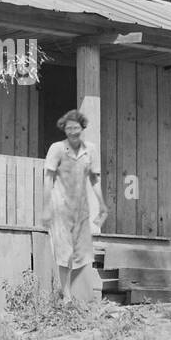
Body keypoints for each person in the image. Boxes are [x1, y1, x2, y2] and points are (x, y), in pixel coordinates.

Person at [42, 109, 109, 304]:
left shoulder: (91, 150)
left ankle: (73, 293)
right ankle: (67, 296)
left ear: (82, 128)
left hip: (80, 207)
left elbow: (95, 179)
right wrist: (46, 207)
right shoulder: (57, 148)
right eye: (69, 128)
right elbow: (48, 179)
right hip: (59, 205)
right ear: (64, 130)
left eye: (76, 128)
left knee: (82, 253)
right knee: (65, 252)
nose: (73, 131)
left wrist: (102, 204)